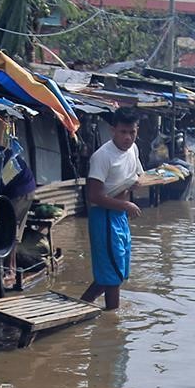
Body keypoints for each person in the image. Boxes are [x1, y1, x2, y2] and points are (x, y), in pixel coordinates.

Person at [81, 107, 144, 310]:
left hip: (119, 216)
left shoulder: (133, 149)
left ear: (137, 131)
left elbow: (136, 176)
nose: (128, 137)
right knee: (113, 275)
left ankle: (82, 305)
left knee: (116, 271)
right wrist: (125, 204)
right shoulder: (102, 156)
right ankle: (112, 321)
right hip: (104, 216)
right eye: (123, 132)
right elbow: (93, 195)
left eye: (132, 132)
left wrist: (133, 186)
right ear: (113, 130)